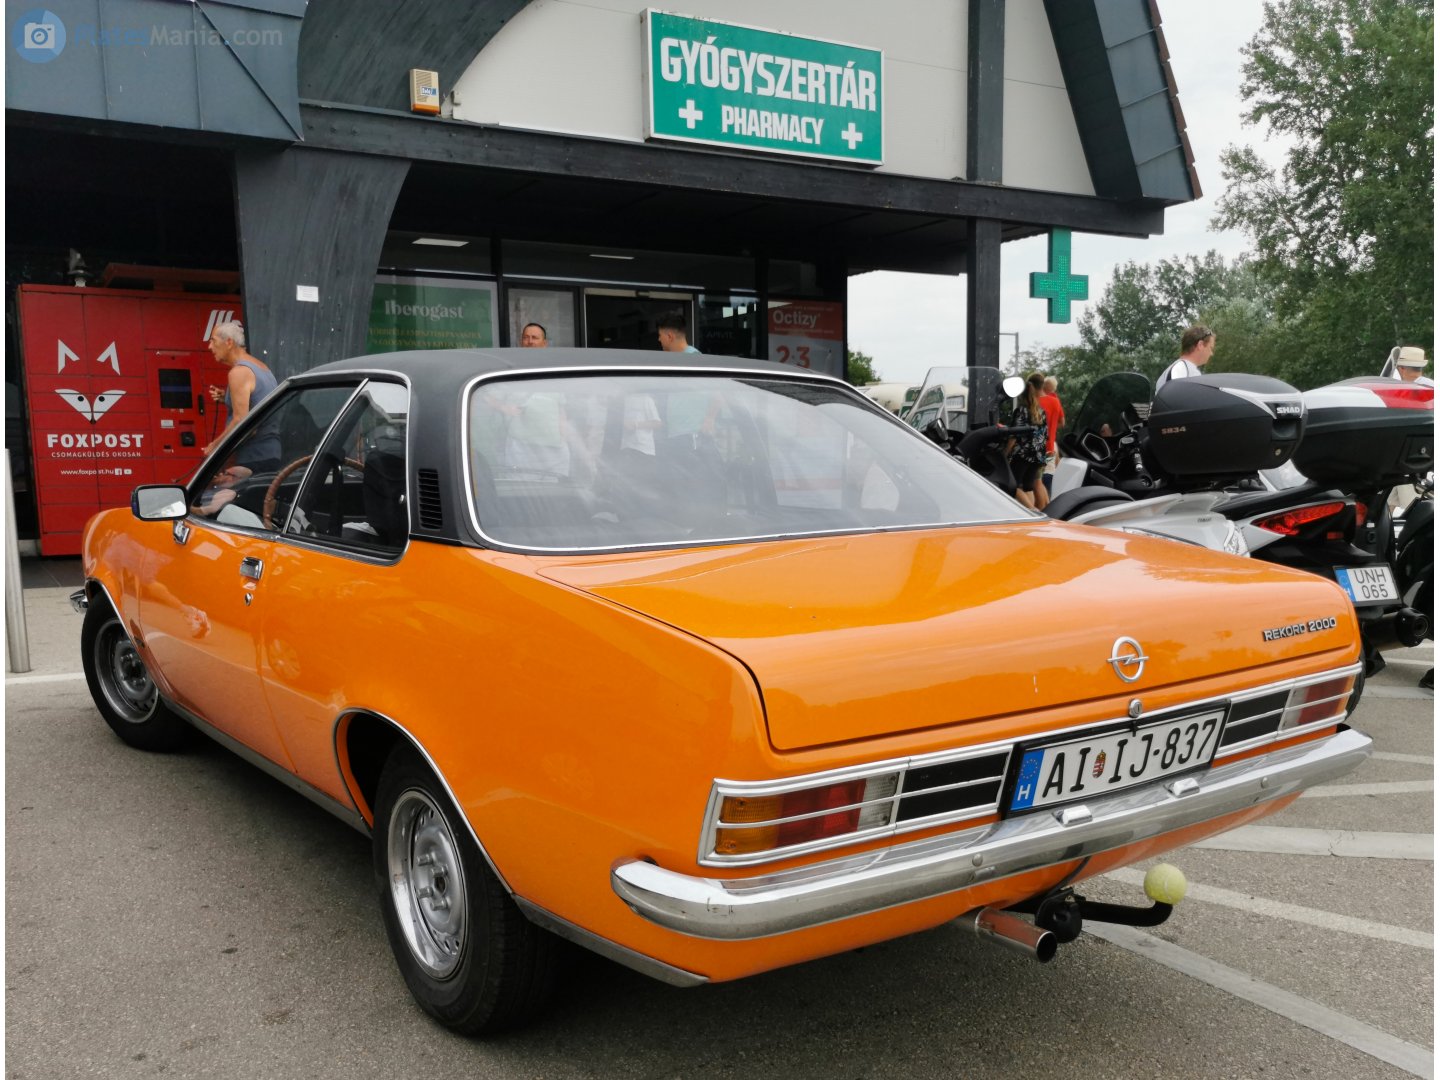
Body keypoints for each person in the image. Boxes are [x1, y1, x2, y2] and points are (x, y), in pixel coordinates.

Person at [203, 320, 280, 477]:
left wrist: (214, 447)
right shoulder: (261, 367)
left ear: (229, 342)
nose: (209, 347)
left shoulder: (239, 372)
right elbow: (257, 401)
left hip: (253, 457)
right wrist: (227, 397)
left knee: (218, 498)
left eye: (213, 341)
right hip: (271, 454)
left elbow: (241, 422)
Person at [1008, 372, 1050, 510]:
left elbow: (1014, 435)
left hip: (1023, 455)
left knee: (1012, 486)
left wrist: (1004, 453)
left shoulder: (1021, 411)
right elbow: (1044, 434)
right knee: (1028, 488)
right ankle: (1034, 514)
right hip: (1038, 456)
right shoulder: (1041, 411)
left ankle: (1033, 512)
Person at [1156, 324, 1216, 390]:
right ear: (1200, 345)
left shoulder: (1184, 368)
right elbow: (1177, 397)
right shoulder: (1180, 369)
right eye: (1210, 348)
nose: (1211, 353)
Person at [1039, 375, 1065, 489]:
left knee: (1035, 478)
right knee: (1049, 470)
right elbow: (1062, 423)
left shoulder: (1037, 400)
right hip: (1050, 445)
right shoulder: (1056, 401)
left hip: (1037, 445)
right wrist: (1052, 427)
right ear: (1053, 388)